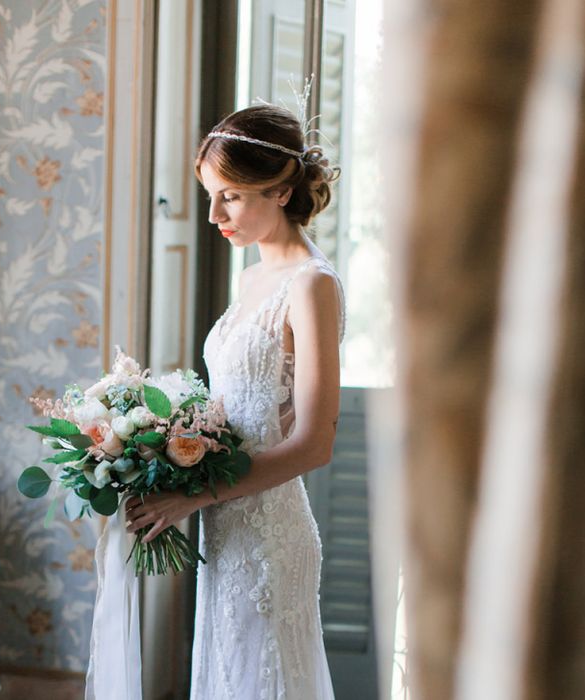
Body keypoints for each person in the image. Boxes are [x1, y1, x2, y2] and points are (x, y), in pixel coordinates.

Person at [125, 103, 345, 699]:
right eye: (210, 195)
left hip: (272, 534)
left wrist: (188, 495)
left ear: (282, 190)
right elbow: (238, 409)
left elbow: (315, 444)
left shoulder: (312, 285)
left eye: (232, 196)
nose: (214, 214)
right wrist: (158, 448)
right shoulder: (253, 279)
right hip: (224, 527)